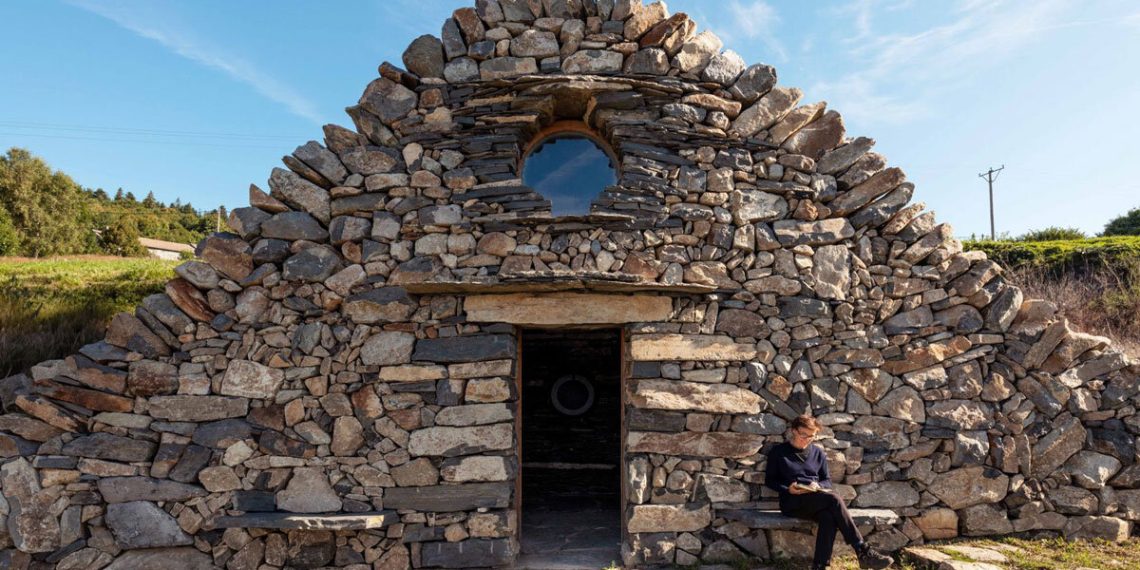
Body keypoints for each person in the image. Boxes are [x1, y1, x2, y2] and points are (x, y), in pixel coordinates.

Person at [765, 415, 893, 570]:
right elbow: (770, 480)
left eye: (811, 436)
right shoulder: (779, 452)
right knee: (834, 499)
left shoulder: (817, 453)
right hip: (792, 502)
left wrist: (817, 484)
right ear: (793, 431)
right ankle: (862, 550)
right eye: (803, 434)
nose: (806, 439)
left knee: (828, 517)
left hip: (815, 498)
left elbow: (827, 480)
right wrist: (788, 489)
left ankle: (820, 566)